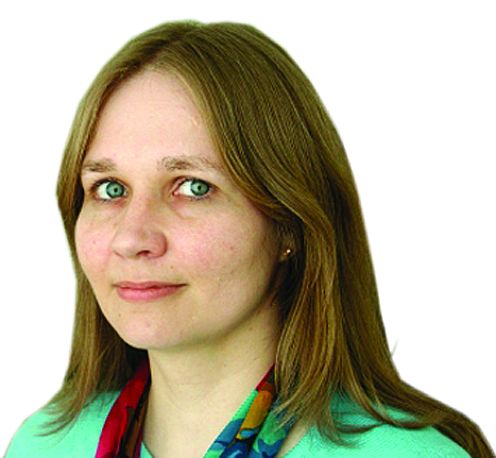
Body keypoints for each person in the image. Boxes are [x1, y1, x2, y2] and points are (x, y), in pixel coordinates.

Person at [6, 20, 493, 457]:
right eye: (110, 189)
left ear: (288, 223)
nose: (132, 238)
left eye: (193, 187)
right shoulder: (42, 446)